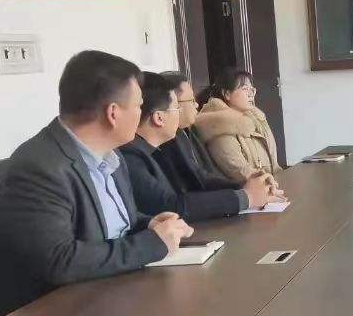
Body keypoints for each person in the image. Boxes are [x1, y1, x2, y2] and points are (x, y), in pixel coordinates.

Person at [0, 51, 193, 316]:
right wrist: (152, 244)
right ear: (113, 113)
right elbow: (56, 261)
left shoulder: (112, 156)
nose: (141, 114)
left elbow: (109, 224)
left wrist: (147, 224)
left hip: (116, 295)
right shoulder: (40, 167)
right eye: (138, 106)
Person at [120, 73, 277, 221]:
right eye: (176, 107)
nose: (196, 105)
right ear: (159, 117)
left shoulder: (165, 142)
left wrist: (246, 184)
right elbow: (170, 205)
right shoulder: (130, 155)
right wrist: (246, 197)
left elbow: (197, 181)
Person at [193, 69, 283, 183]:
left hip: (271, 184)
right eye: (245, 89)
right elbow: (241, 172)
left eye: (252, 89)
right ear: (227, 94)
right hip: (248, 190)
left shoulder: (256, 118)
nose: (250, 94)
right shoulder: (219, 125)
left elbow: (274, 165)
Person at [157, 71, 237, 192]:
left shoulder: (188, 130)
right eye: (191, 100)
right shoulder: (166, 140)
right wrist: (243, 189)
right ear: (174, 103)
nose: (196, 105)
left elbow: (208, 172)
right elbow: (196, 182)